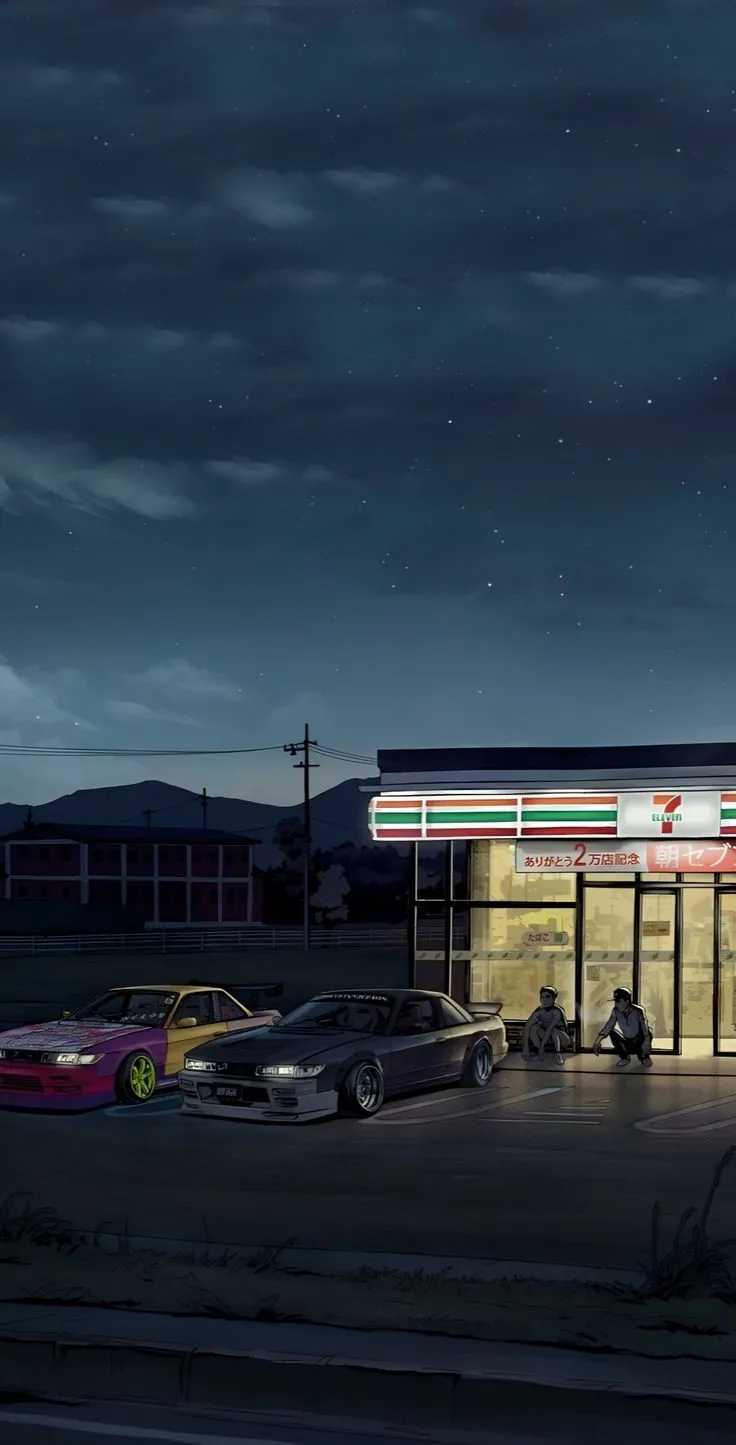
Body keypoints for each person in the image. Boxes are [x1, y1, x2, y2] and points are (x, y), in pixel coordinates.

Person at [592, 986, 653, 1068]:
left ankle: (644, 1056)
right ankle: (625, 1057)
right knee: (612, 1032)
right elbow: (609, 1025)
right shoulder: (615, 1011)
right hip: (627, 1041)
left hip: (639, 1041)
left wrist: (646, 1043)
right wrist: (598, 1040)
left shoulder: (638, 1011)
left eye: (618, 1001)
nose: (616, 1004)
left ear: (627, 1001)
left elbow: (644, 1028)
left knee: (649, 1031)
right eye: (615, 1001)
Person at [521, 987, 572, 1065]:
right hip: (548, 1038)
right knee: (533, 1027)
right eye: (542, 997)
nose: (544, 1000)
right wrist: (525, 1047)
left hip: (562, 1040)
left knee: (554, 1030)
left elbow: (550, 1029)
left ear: (554, 998)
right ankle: (540, 1052)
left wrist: (542, 1046)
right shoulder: (539, 1011)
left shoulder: (557, 1011)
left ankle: (558, 1054)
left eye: (547, 997)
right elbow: (528, 1025)